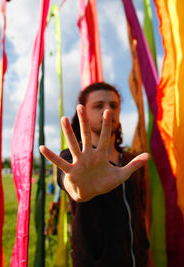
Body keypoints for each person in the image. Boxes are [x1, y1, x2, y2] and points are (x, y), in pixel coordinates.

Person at [40, 82, 152, 266]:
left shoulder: (132, 162)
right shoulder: (72, 159)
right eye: (98, 105)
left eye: (113, 105)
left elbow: (140, 215)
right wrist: (75, 187)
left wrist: (147, 257)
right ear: (84, 112)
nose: (108, 110)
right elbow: (69, 181)